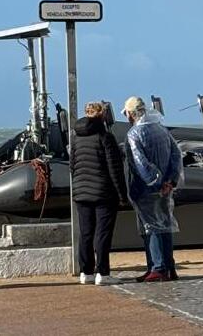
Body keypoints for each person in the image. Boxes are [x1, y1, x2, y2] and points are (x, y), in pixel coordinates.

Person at [123, 95, 182, 282]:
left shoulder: (133, 135)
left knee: (151, 228)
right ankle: (169, 267)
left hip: (146, 188)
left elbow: (141, 164)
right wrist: (170, 181)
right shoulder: (162, 130)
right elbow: (176, 155)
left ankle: (157, 267)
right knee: (165, 225)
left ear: (131, 114)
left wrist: (155, 183)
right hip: (166, 188)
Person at [70, 101, 128, 286]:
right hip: (103, 192)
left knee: (86, 232)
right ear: (102, 116)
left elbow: (73, 165)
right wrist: (122, 195)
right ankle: (102, 273)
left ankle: (85, 272)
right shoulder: (105, 137)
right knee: (102, 233)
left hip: (81, 192)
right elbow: (114, 169)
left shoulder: (76, 138)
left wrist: (79, 184)